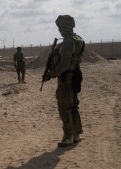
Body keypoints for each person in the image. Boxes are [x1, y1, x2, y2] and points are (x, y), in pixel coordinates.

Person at [42, 15, 85, 147]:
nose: (59, 30)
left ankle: (68, 137)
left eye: (60, 27)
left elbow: (64, 64)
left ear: (63, 28)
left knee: (64, 107)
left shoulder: (67, 42)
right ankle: (76, 134)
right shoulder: (78, 40)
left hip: (66, 77)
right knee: (73, 106)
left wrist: (50, 74)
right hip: (75, 75)